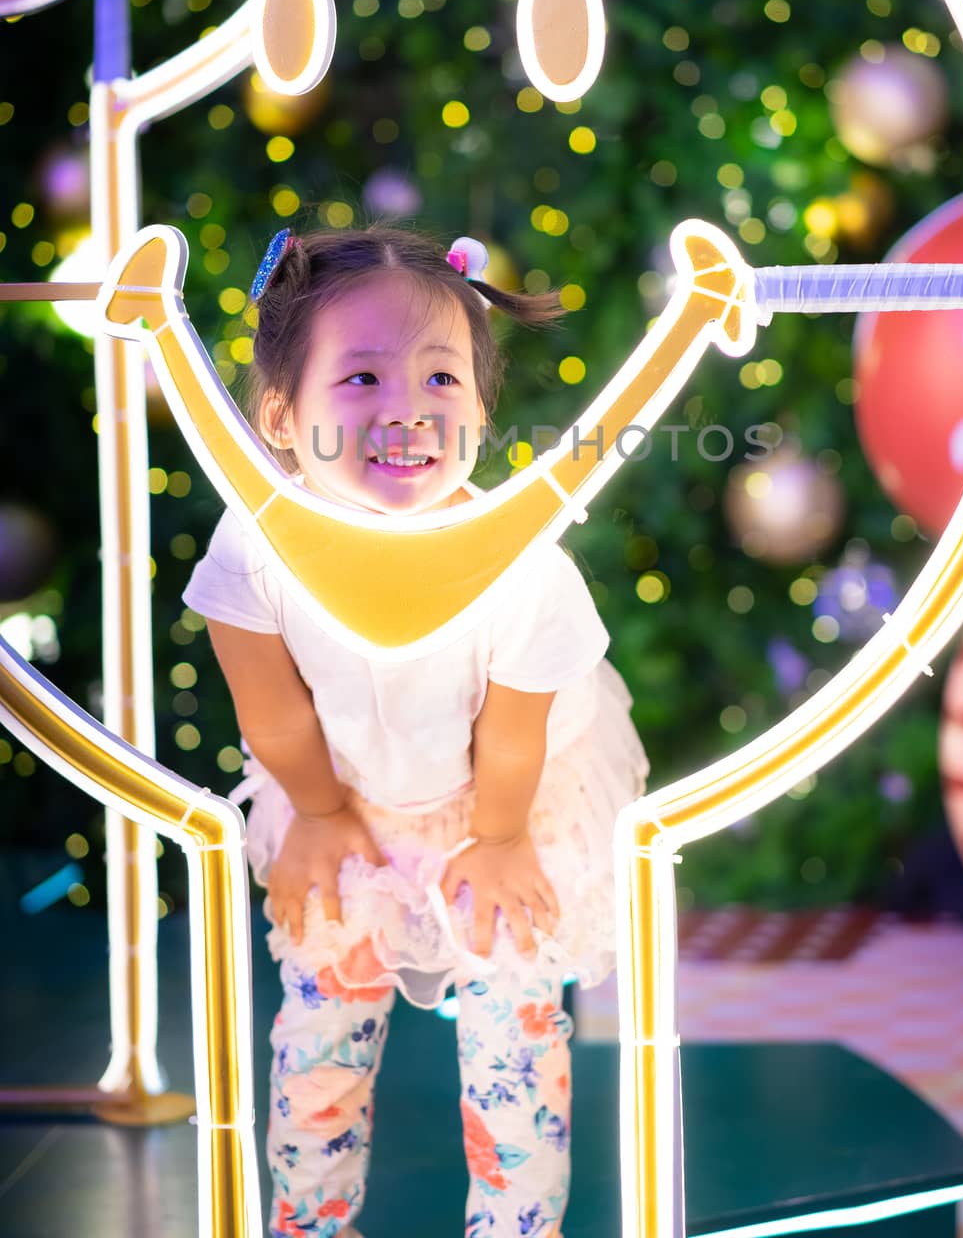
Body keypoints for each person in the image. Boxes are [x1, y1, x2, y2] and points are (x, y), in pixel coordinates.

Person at [182, 221, 650, 1238]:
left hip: (507, 802)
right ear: (278, 413)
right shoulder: (253, 546)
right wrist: (316, 812)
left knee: (516, 1051)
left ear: (481, 409)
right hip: (337, 790)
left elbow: (514, 737)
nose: (408, 409)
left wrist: (495, 837)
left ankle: (515, 1227)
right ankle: (311, 1223)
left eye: (442, 380)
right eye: (359, 380)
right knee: (317, 1041)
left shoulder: (520, 561)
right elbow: (270, 707)